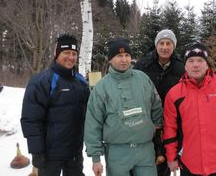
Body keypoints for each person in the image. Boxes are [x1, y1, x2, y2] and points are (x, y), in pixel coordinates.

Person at [163, 43, 216, 176]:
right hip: (190, 165)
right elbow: (170, 128)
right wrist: (171, 156)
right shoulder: (174, 94)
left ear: (207, 64)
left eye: (200, 60)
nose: (195, 65)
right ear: (185, 66)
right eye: (191, 61)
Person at [84, 37, 163, 176]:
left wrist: (158, 138)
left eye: (127, 55)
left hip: (145, 149)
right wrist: (96, 158)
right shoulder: (101, 88)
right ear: (110, 59)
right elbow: (93, 123)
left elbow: (156, 107)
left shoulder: (143, 79)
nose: (124, 59)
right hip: (117, 152)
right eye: (119, 56)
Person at [20, 34, 90, 176]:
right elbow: (31, 119)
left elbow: (90, 114)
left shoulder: (81, 82)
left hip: (74, 153)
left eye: (74, 53)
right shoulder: (41, 81)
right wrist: (36, 152)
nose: (71, 57)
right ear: (56, 53)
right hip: (49, 155)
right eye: (66, 52)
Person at [134, 29, 185, 175]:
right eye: (161, 43)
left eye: (168, 43)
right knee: (147, 160)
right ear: (156, 45)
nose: (164, 47)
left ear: (173, 46)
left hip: (173, 121)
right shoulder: (143, 65)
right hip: (147, 120)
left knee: (166, 159)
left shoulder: (181, 67)